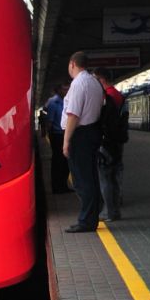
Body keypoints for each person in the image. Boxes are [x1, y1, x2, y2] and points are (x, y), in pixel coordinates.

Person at [61, 51, 105, 232]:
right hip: (91, 132)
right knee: (91, 178)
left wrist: (66, 141)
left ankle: (86, 220)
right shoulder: (94, 82)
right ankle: (92, 215)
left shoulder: (79, 84)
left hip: (80, 135)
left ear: (72, 64)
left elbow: (73, 115)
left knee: (81, 180)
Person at [97, 79, 129, 223]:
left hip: (106, 146)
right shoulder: (113, 102)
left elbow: (102, 126)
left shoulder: (102, 105)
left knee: (105, 179)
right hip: (116, 145)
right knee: (114, 179)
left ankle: (108, 212)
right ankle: (115, 211)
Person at [39, 86, 69, 193]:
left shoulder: (66, 101)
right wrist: (48, 136)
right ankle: (56, 187)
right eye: (65, 89)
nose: (67, 91)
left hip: (65, 134)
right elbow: (49, 122)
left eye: (68, 88)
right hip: (57, 135)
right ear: (59, 90)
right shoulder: (53, 103)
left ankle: (64, 185)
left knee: (65, 162)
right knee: (58, 161)